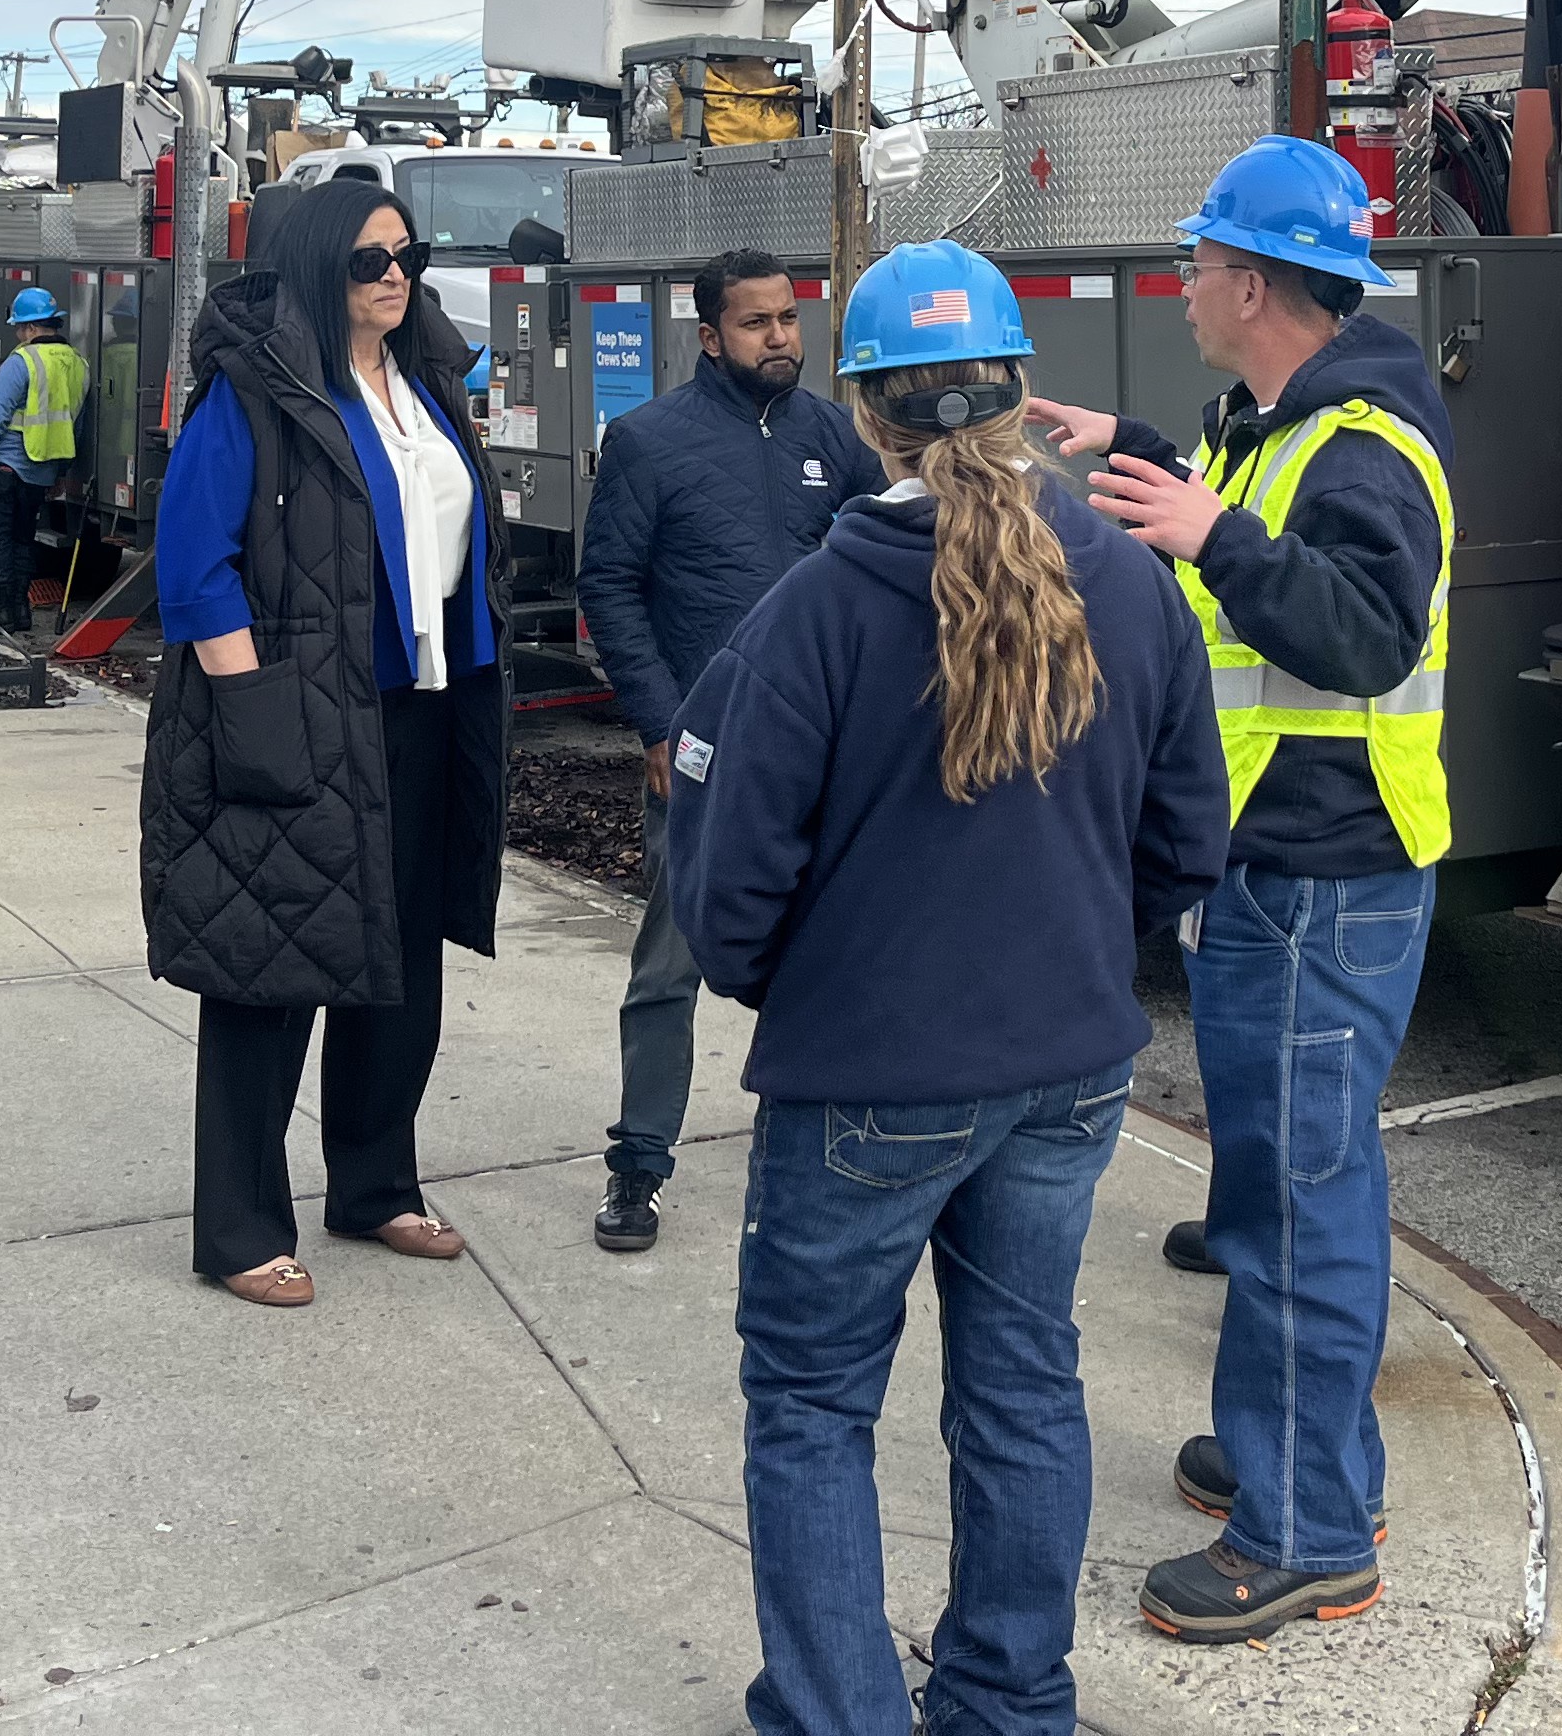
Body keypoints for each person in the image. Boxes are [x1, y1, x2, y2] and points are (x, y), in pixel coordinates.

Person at [671, 241, 1227, 1736]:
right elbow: (1185, 843)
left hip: (867, 1082)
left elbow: (729, 900)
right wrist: (1075, 946)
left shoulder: (814, 611)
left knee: (809, 1409)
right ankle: (1005, 1702)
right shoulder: (1133, 585)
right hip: (1069, 1071)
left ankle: (840, 1710)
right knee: (1026, 1389)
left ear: (867, 415)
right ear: (1018, 392)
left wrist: (820, 982)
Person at [1022, 134, 1456, 1644]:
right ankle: (1300, 1453)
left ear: (1256, 281)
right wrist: (1139, 445)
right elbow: (1239, 514)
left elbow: (1360, 631)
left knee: (1295, 1209)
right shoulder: (1283, 426)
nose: (1185, 285)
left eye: (1201, 264)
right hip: (1285, 870)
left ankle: (1309, 1533)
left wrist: (1214, 532)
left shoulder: (1360, 447)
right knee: (1288, 1190)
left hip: (1324, 877)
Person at [144, 176, 509, 1307]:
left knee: (400, 964)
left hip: (425, 707)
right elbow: (192, 565)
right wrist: (253, 706)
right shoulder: (254, 394)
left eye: (408, 253)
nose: (395, 274)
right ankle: (240, 1228)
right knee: (269, 964)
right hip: (297, 712)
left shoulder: (431, 384)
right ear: (317, 265)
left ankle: (375, 1186)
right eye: (368, 259)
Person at [571, 244, 883, 1252]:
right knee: (671, 967)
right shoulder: (650, 443)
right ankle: (637, 1167)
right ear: (709, 336)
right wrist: (661, 724)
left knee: (827, 960)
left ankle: (822, 1157)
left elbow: (893, 550)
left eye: (789, 319)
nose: (782, 337)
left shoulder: (833, 438)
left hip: (822, 752)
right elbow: (609, 589)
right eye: (757, 323)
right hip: (703, 757)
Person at [0, 288, 80, 631]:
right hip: (42, 469)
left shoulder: (23, 361)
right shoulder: (76, 363)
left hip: (5, 463)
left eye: (18, 328)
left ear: (29, 328)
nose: (18, 335)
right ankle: (20, 611)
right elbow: (76, 422)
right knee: (23, 538)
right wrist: (60, 469)